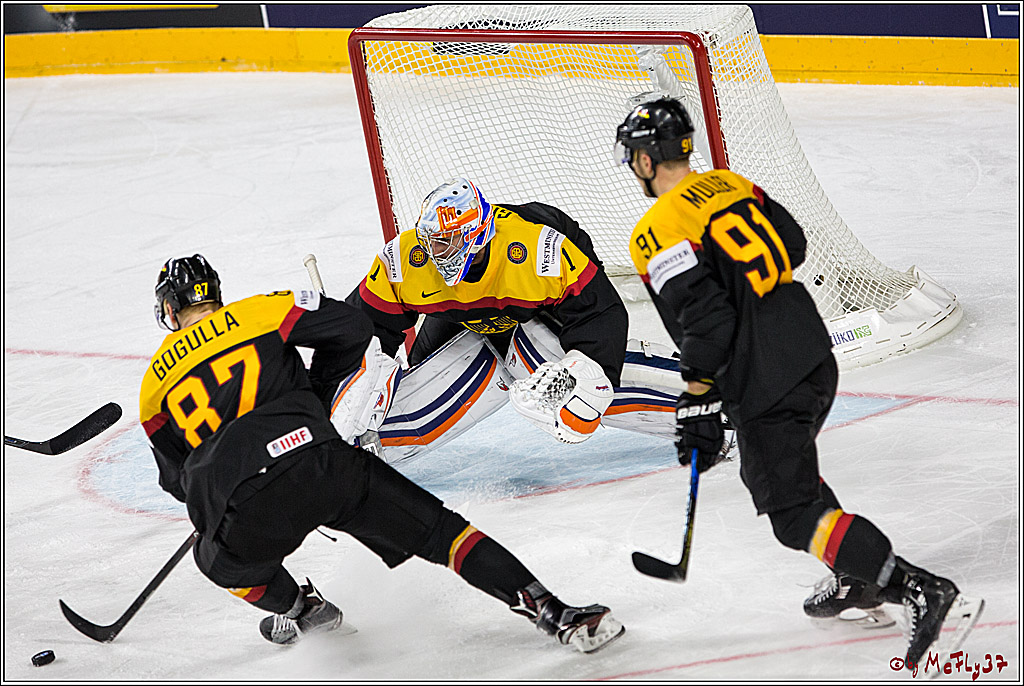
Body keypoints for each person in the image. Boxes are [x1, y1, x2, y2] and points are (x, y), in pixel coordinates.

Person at [613, 97, 982, 669]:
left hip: (766, 374)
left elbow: (705, 321)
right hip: (811, 350)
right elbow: (794, 242)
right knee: (792, 480)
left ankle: (914, 585)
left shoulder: (655, 229)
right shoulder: (731, 185)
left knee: (789, 513)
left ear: (643, 159)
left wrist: (695, 395)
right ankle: (855, 580)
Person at [139, 254, 624, 652]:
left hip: (242, 505)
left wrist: (217, 492)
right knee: (444, 534)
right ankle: (554, 613)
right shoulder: (262, 311)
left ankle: (302, 611)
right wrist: (318, 401)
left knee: (217, 562)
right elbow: (351, 326)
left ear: (168, 309)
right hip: (321, 463)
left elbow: (176, 482)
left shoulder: (152, 385)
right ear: (216, 293)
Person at [336, 177, 729, 464]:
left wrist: (589, 370)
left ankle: (721, 402)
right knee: (392, 427)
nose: (435, 252)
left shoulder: (538, 250)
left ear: (476, 237)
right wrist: (352, 378)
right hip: (463, 323)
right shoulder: (406, 260)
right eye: (431, 241)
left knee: (575, 391)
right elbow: (361, 327)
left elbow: (599, 312)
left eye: (447, 241)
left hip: (541, 317)